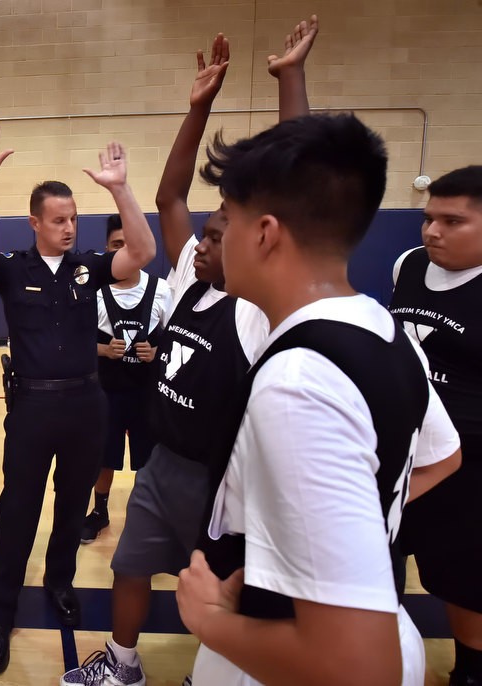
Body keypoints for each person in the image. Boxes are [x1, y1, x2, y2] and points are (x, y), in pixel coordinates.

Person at [174, 93, 462, 686]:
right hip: (368, 610)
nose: (218, 239)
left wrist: (207, 620)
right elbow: (444, 455)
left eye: (228, 219)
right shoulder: (385, 328)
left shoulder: (297, 383)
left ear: (265, 234)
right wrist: (340, 527)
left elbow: (358, 667)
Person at [61, 30, 270, 686]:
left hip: (221, 480)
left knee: (218, 590)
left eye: (216, 236)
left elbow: (295, 199)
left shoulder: (259, 308)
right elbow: (170, 197)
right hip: (161, 462)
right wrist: (199, 107)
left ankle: (212, 674)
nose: (201, 243)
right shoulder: (189, 283)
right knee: (129, 564)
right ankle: (122, 665)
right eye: (203, 235)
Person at [0, 119, 157, 675]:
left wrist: (119, 188)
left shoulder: (90, 267)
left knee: (70, 507)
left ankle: (59, 579)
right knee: (16, 510)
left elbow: (141, 248)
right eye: (59, 220)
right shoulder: (13, 271)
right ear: (35, 223)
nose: (69, 228)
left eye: (74, 219)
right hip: (32, 407)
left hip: (87, 404)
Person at [390, 165, 482, 686]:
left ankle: (470, 670)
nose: (433, 231)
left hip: (469, 470)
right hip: (404, 458)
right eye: (429, 219)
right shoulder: (408, 266)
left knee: (464, 584)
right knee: (385, 569)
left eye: (453, 221)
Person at [81, 214, 172, 544]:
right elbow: (76, 342)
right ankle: (99, 512)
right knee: (105, 455)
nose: (123, 251)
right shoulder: (94, 292)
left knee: (148, 458)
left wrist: (158, 351)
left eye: (129, 244)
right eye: (116, 245)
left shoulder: (162, 290)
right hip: (107, 391)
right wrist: (102, 351)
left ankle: (146, 513)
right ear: (108, 249)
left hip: (146, 392)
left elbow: (177, 339)